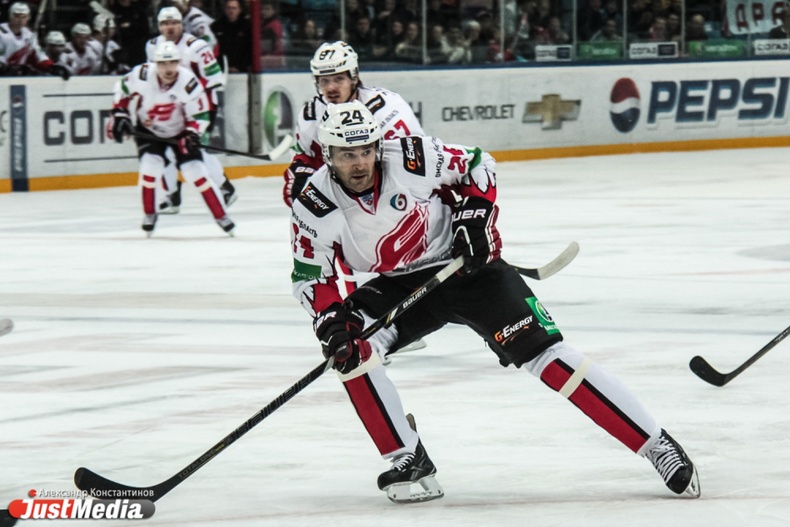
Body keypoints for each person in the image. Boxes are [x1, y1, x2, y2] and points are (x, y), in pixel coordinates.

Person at [290, 100, 702, 503]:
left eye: (366, 151)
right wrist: (330, 319)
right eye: (347, 155)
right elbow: (311, 276)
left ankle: (655, 444)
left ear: (378, 147)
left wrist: (475, 217)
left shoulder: (411, 157)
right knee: (352, 350)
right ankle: (407, 456)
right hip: (398, 284)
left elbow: (477, 164)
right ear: (328, 155)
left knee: (548, 357)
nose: (360, 163)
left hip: (465, 268)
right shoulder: (313, 204)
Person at [108, 41, 235, 236]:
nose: (168, 69)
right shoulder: (143, 74)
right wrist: (119, 113)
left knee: (196, 172)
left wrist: (192, 134)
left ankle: (221, 216)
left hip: (180, 131)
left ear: (178, 62)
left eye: (172, 63)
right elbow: (122, 88)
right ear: (155, 63)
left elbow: (200, 115)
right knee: (150, 167)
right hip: (149, 130)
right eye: (162, 63)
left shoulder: (188, 82)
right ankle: (150, 214)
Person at [282, 40, 424, 208]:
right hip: (345, 200)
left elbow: (415, 159)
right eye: (324, 81)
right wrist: (300, 175)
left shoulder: (387, 108)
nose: (331, 88)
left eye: (339, 79)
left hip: (394, 197)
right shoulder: (311, 115)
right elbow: (305, 156)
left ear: (353, 77)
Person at [147, 6, 236, 213]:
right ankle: (171, 196)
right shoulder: (152, 46)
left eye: (174, 22)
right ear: (159, 26)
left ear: (181, 24)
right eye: (165, 23)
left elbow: (214, 78)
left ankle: (225, 188)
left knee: (195, 149)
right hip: (172, 108)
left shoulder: (196, 46)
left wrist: (188, 93)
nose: (169, 27)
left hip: (201, 106)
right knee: (165, 150)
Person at [0, 2, 70, 79]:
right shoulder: (1, 32)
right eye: (17, 16)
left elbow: (38, 55)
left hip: (18, 76)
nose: (20, 20)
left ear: (28, 17)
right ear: (10, 16)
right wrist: (5, 67)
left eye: (24, 17)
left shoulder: (29, 35)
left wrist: (51, 66)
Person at [210, 0, 252, 73]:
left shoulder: (247, 26)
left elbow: (249, 49)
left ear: (239, 10)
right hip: (220, 69)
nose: (231, 11)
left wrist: (241, 67)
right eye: (228, 8)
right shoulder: (216, 26)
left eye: (234, 8)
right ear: (225, 10)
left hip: (242, 70)